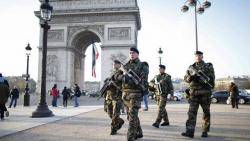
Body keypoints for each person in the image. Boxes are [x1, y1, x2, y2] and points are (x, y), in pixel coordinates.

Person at [182, 51, 215, 138]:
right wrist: (191, 77)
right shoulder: (191, 67)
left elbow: (211, 80)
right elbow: (185, 78)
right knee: (191, 113)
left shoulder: (208, 66)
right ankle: (190, 131)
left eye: (199, 55)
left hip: (205, 93)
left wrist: (201, 79)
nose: (198, 57)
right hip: (194, 94)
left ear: (202, 56)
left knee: (206, 113)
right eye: (196, 56)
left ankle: (205, 131)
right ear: (195, 57)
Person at [122, 47, 149, 141]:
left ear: (137, 54)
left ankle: (130, 137)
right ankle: (139, 132)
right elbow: (122, 80)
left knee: (133, 116)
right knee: (130, 116)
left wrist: (133, 80)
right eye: (130, 53)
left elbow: (144, 80)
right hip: (126, 94)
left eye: (133, 53)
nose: (131, 54)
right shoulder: (125, 66)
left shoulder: (143, 65)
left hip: (136, 94)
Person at [104, 60, 125, 135]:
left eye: (116, 64)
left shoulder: (120, 73)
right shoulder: (113, 73)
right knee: (109, 112)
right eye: (114, 64)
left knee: (116, 114)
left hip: (117, 97)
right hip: (110, 96)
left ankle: (113, 129)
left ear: (119, 65)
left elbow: (120, 83)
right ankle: (120, 121)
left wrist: (113, 83)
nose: (114, 65)